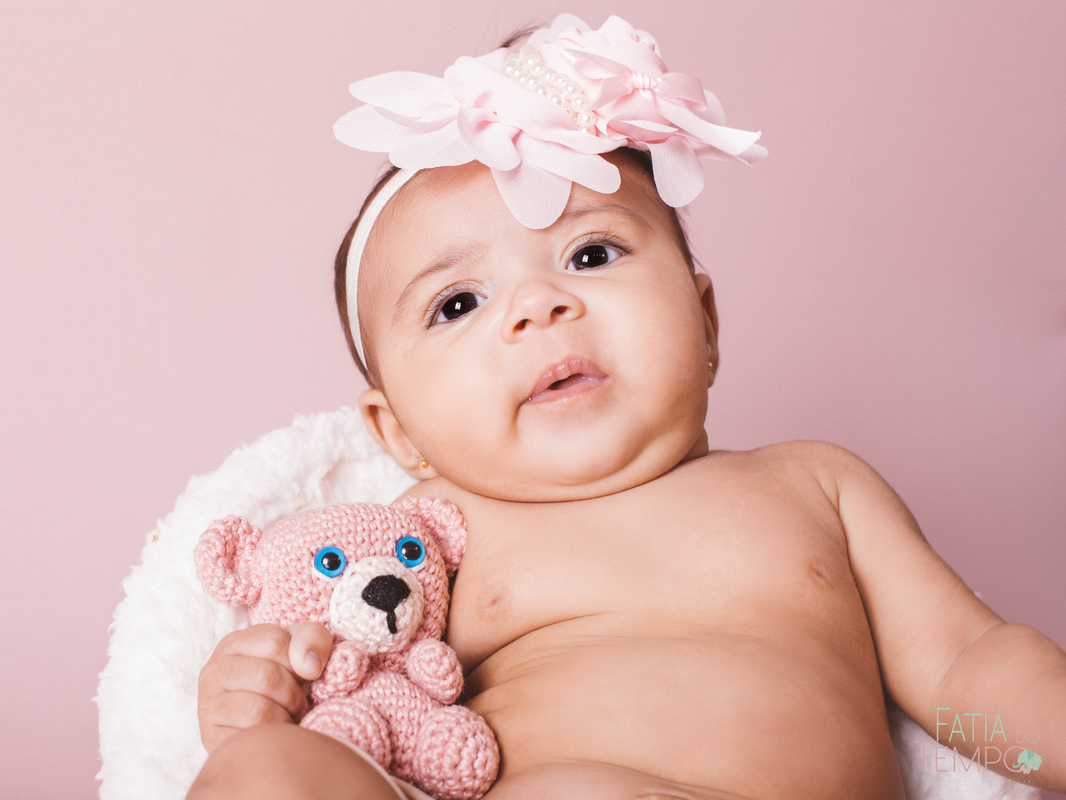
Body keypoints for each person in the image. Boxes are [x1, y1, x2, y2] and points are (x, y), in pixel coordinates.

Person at [187, 15, 1066, 799]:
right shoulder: (431, 533)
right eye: (458, 304)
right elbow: (349, 673)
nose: (539, 308)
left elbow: (964, 664)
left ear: (707, 320)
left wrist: (1041, 745)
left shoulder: (815, 486)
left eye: (593, 254)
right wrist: (263, 687)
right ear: (398, 432)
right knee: (263, 773)